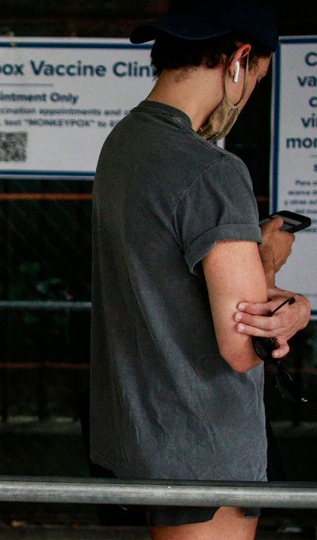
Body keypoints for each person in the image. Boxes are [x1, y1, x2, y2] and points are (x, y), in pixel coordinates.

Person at [89, 1, 311, 538]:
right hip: (203, 442)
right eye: (257, 75)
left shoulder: (125, 144)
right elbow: (242, 345)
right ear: (238, 59)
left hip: (142, 429)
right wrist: (286, 292)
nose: (252, 89)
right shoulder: (211, 168)